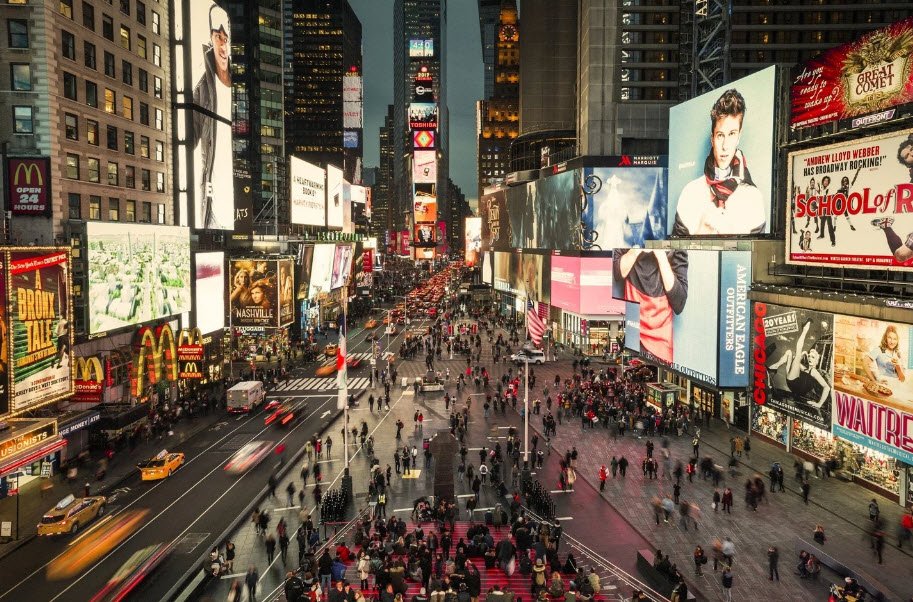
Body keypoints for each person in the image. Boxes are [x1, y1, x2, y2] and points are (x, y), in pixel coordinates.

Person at [672, 88, 766, 235]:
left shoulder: (753, 198)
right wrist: (699, 235)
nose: (725, 146)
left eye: (732, 134)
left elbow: (759, 250)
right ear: (712, 138)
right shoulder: (690, 193)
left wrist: (732, 236)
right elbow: (674, 249)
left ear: (739, 137)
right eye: (720, 135)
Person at [191, 3, 232, 229]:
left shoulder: (240, 88)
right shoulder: (202, 89)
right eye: (218, 37)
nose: (223, 44)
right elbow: (188, 141)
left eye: (226, 38)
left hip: (237, 204)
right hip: (213, 208)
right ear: (211, 38)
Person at [613, 248, 688, 364]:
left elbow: (679, 303)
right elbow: (617, 273)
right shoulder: (629, 242)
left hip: (661, 341)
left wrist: (661, 256)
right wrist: (636, 249)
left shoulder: (676, 248)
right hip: (635, 334)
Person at [766, 318, 831, 409]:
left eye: (813, 357)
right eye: (809, 356)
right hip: (793, 383)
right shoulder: (805, 369)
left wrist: (819, 404)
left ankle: (805, 329)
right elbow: (794, 362)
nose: (809, 358)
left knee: (798, 352)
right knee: (789, 353)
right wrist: (802, 355)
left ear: (817, 361)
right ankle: (773, 368)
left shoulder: (814, 371)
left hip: (795, 384)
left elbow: (827, 387)